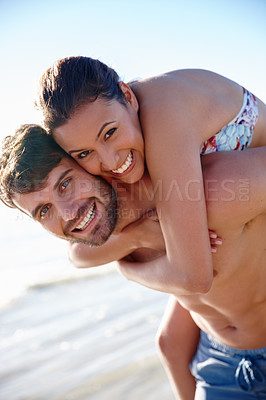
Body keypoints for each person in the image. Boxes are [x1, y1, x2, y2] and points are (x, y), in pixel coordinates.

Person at [1, 125, 266, 399]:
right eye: (44, 210)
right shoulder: (107, 234)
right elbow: (77, 256)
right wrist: (136, 240)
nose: (68, 214)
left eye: (65, 183)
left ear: (86, 161)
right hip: (218, 356)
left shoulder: (203, 191)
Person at [36, 56, 266, 297]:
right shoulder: (120, 129)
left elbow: (193, 278)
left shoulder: (163, 119)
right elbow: (77, 252)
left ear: (128, 96)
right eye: (84, 153)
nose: (111, 161)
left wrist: (128, 270)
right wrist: (135, 237)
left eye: (110, 133)